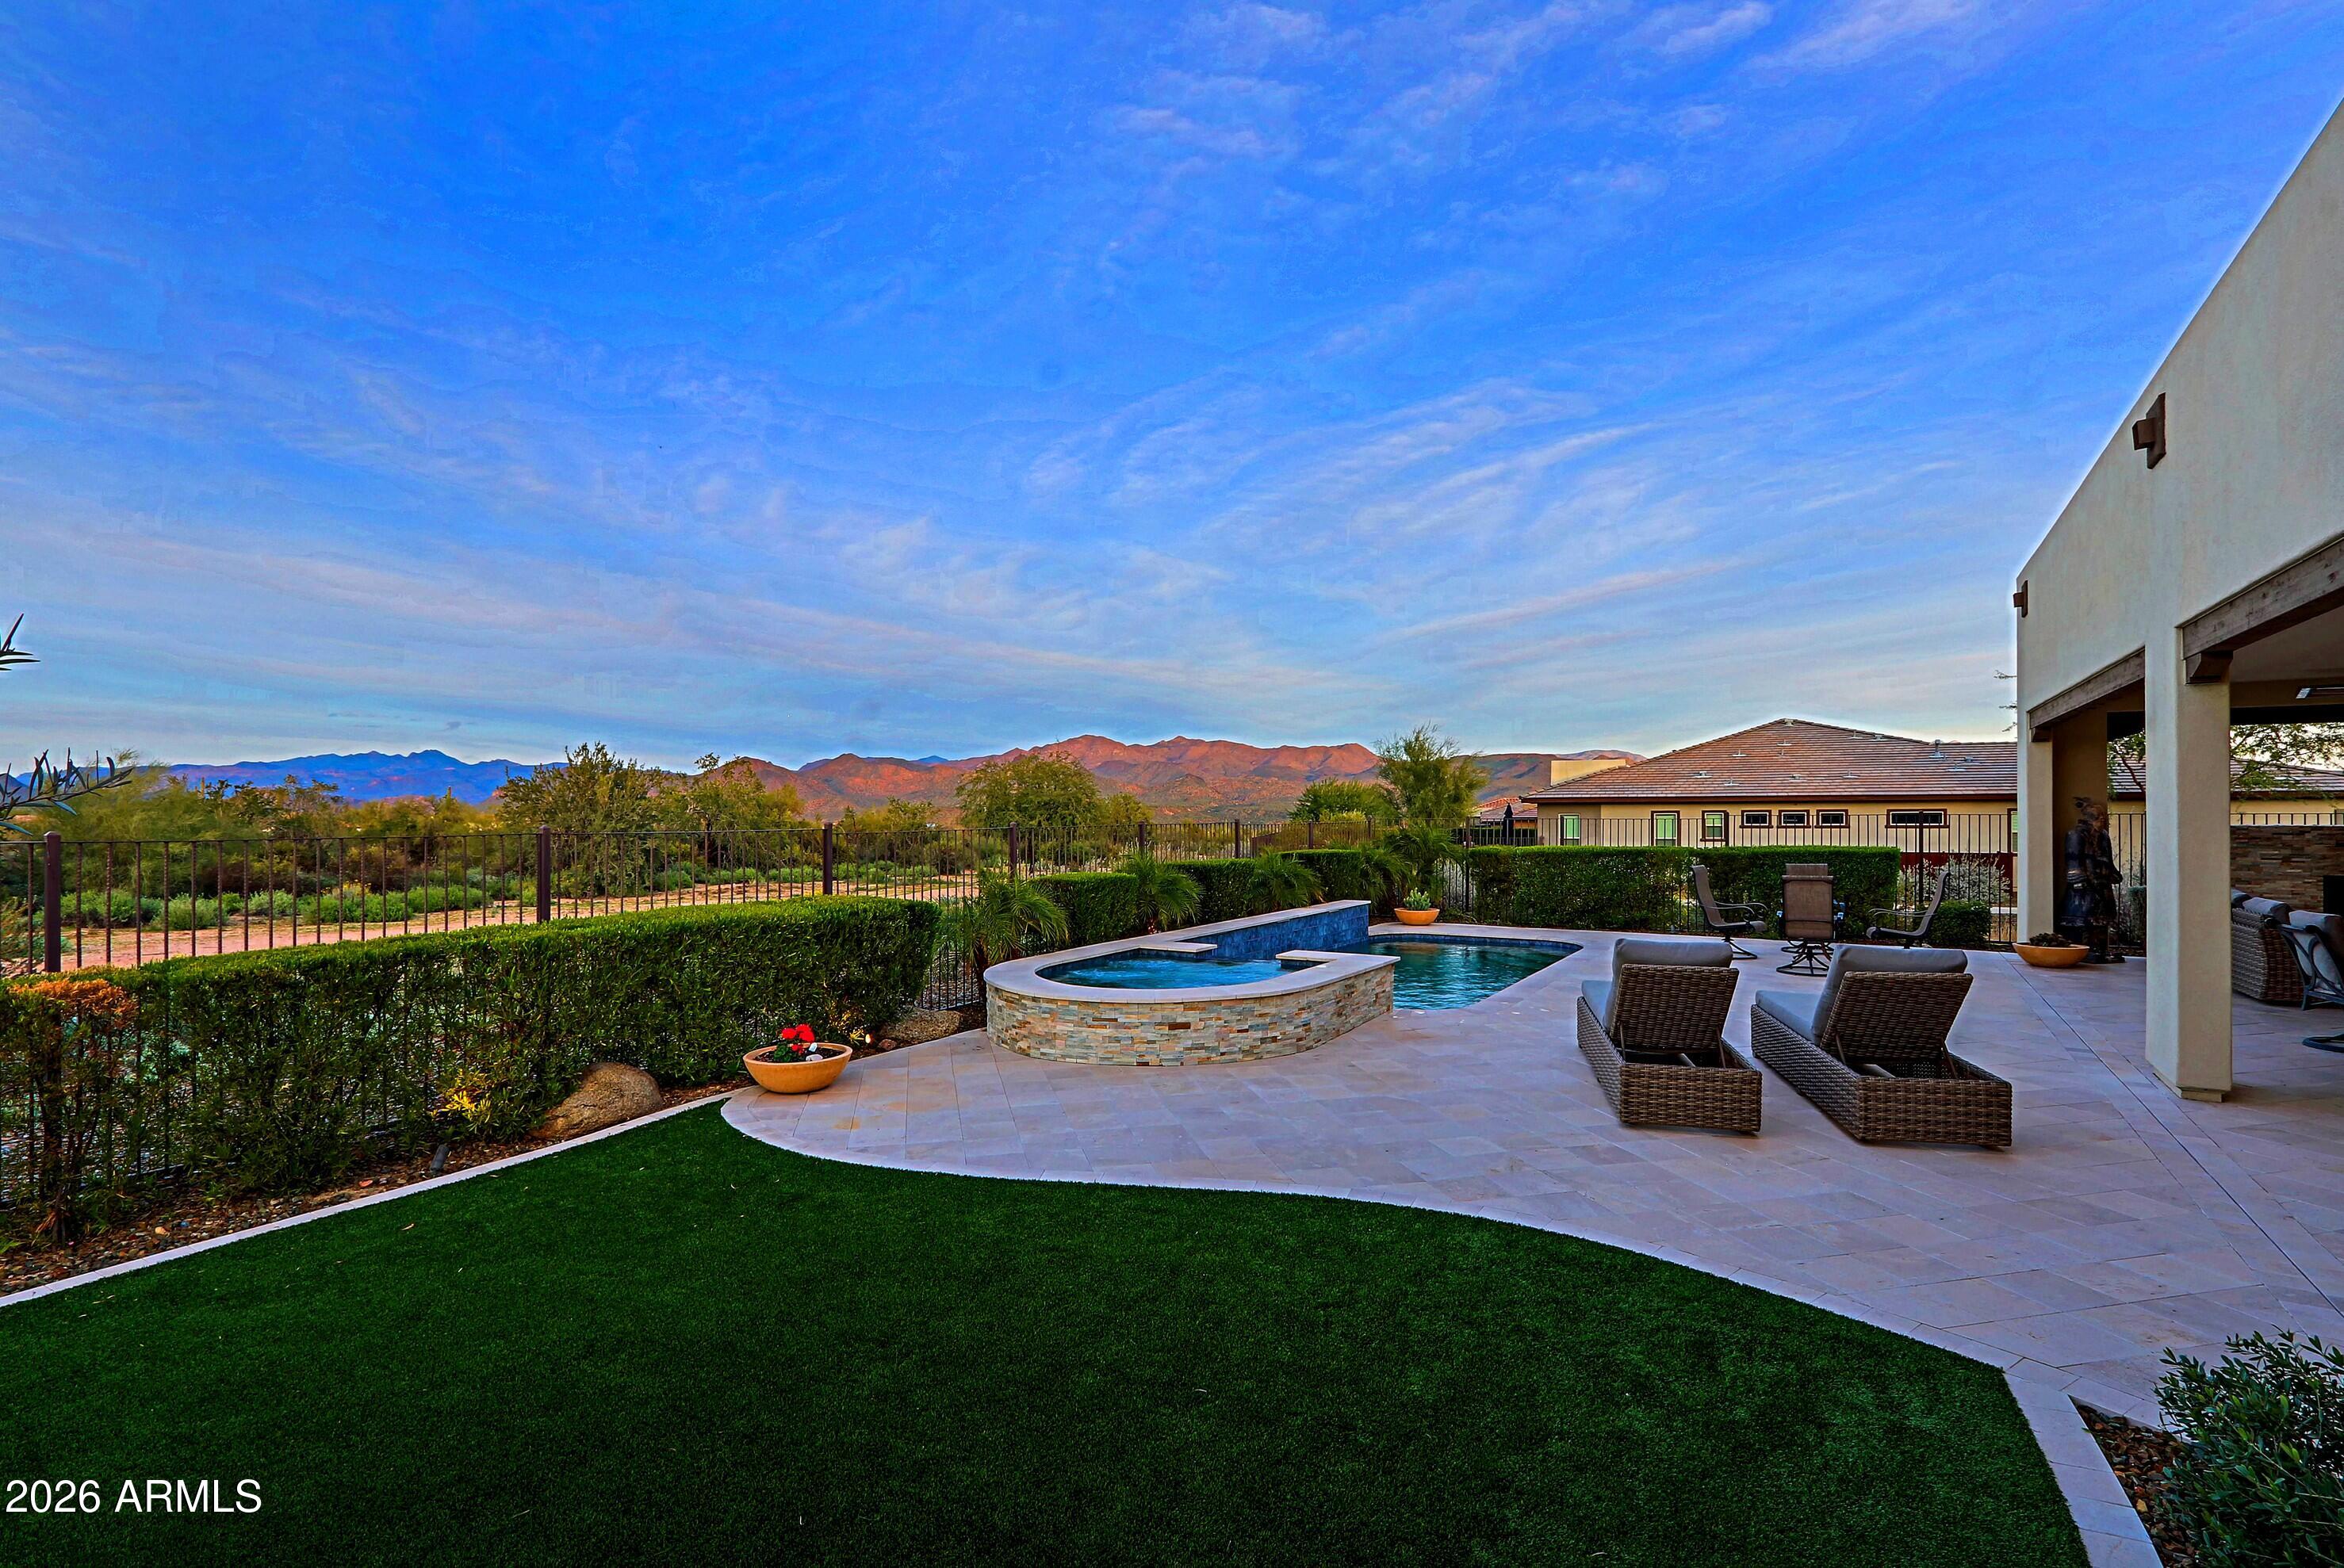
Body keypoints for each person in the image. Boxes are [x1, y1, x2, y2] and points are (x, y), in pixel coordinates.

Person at [2059, 798, 2124, 963]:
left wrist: (2111, 873)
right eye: (2097, 817)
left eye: (2103, 816)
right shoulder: (2075, 835)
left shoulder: (2104, 836)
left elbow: (2108, 860)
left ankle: (2100, 949)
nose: (2102, 819)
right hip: (2084, 886)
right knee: (2083, 917)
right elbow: (2073, 861)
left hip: (2102, 882)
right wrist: (2078, 879)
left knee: (2103, 918)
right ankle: (2083, 948)